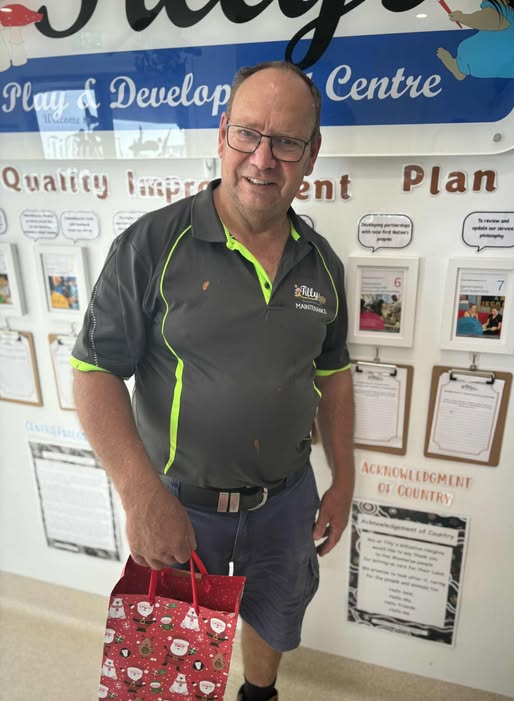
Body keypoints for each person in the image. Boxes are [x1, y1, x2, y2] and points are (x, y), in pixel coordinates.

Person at [71, 61, 355, 701]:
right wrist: (141, 495)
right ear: (221, 132)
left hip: (287, 503)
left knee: (275, 616)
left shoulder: (323, 263)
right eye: (248, 133)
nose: (263, 158)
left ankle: (259, 696)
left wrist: (345, 480)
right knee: (167, 667)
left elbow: (334, 378)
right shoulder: (151, 244)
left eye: (286, 142)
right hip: (180, 505)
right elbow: (93, 373)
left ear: (312, 154)